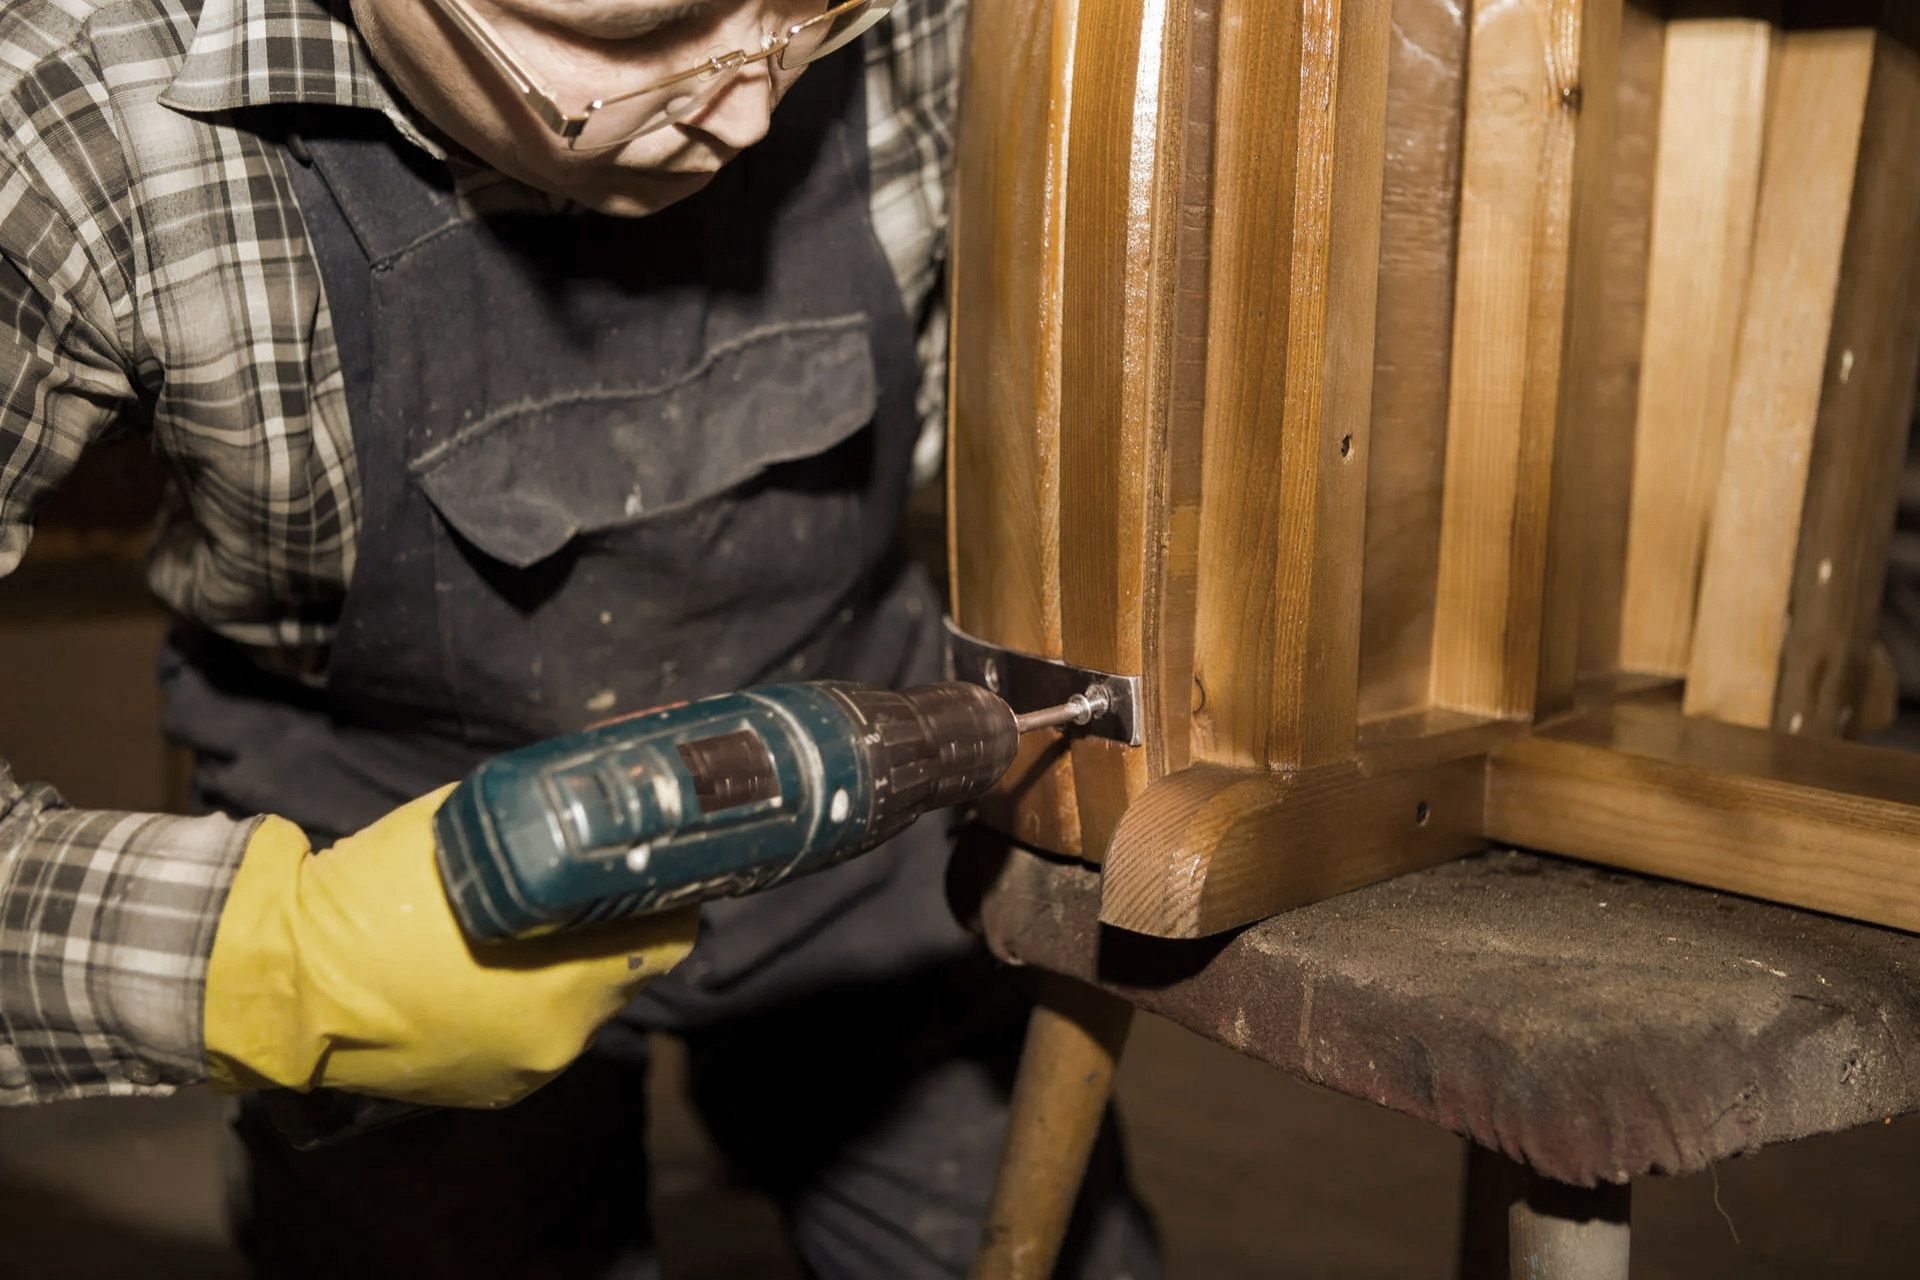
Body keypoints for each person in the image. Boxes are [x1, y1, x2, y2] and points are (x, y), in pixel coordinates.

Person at [0, 0, 1161, 1275]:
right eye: (627, 47)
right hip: (384, 827)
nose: (749, 105)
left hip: (872, 775)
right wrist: (271, 964)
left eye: (806, 6)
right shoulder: (66, 120)